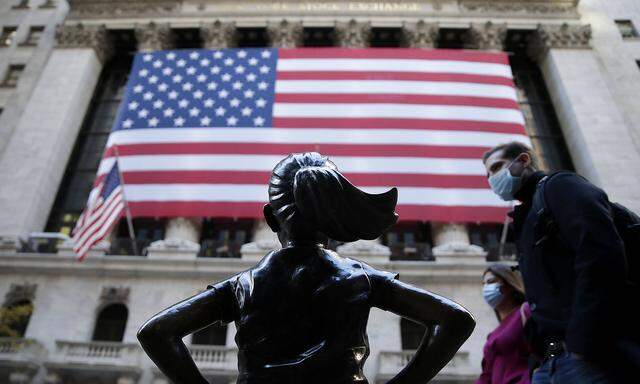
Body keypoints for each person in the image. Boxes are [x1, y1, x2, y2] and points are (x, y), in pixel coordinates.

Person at [138, 152, 476, 384]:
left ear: (271, 219)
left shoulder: (244, 285)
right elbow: (456, 319)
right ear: (335, 217)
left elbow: (155, 332)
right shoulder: (360, 278)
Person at [482, 142, 635, 384]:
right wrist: (541, 358)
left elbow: (601, 253)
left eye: (497, 167)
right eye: (488, 174)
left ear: (523, 160)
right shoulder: (526, 218)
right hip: (552, 361)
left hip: (593, 355)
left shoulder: (561, 186)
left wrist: (580, 343)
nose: (492, 178)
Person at [476, 264, 531, 384]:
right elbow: (486, 374)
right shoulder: (495, 333)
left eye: (491, 282)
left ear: (508, 284)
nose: (486, 288)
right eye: (483, 284)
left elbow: (550, 347)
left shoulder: (525, 312)